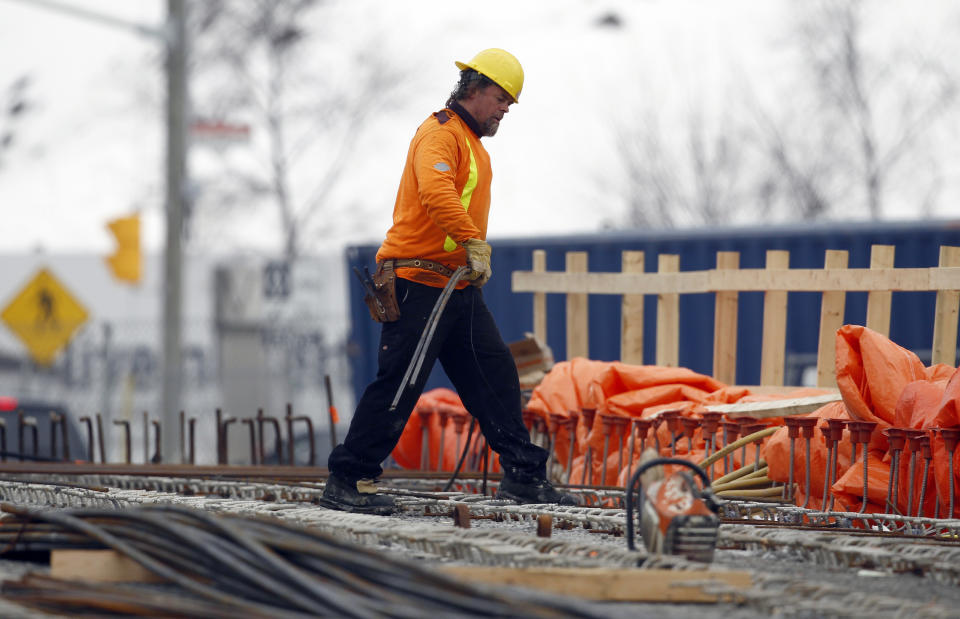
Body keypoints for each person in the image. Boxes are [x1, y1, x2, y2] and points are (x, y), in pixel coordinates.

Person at [321, 48, 575, 513]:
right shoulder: (439, 133)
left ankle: (523, 474)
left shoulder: (471, 144)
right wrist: (472, 242)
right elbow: (435, 191)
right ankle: (348, 478)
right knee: (401, 384)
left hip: (454, 287)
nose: (505, 110)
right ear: (473, 89)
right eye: (501, 98)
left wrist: (468, 253)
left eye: (510, 104)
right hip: (420, 282)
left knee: (494, 375)